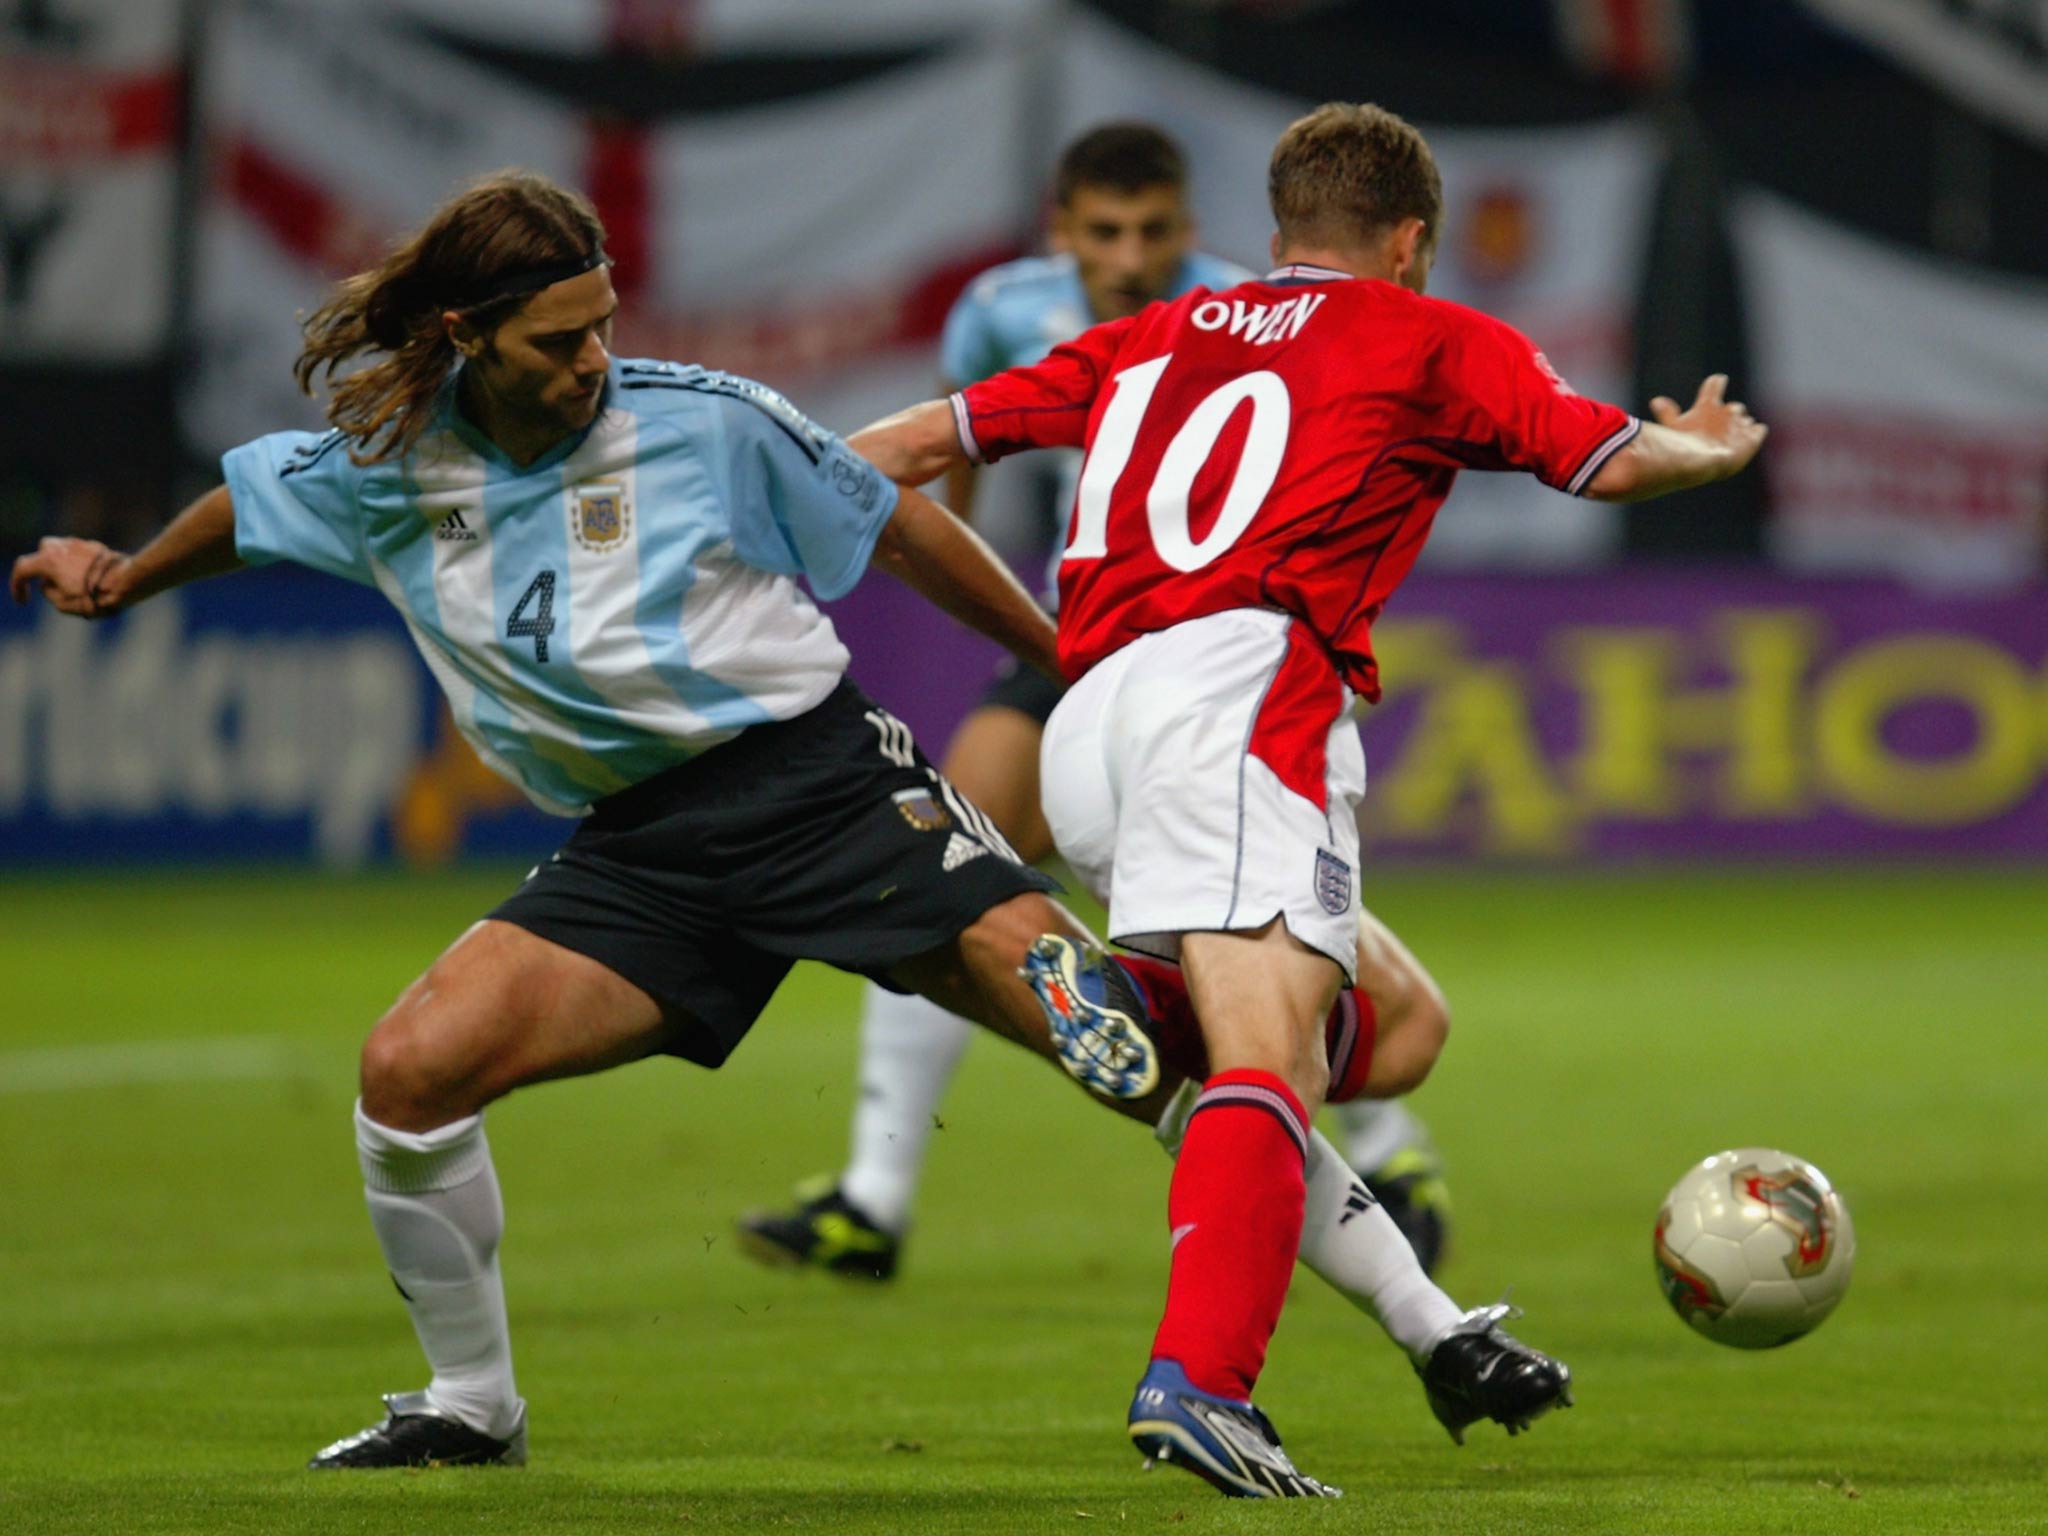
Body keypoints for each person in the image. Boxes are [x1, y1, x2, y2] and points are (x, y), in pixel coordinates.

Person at [5, 169, 1190, 1472]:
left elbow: (901, 525)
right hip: (644, 850)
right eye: (560, 339)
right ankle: (473, 1406)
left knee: (1115, 1044)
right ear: (466, 336)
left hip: (821, 788)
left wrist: (1069, 654)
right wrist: (126, 577)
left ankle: (1431, 1322)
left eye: (605, 323)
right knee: (408, 1073)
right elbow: (258, 503)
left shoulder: (703, 420)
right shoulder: (394, 461)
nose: (595, 360)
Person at [851, 102, 1769, 1498]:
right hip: (1244, 692)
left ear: (1278, 229)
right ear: (1411, 240)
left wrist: (732, 510)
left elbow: (911, 445)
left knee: (1393, 1029)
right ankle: (1203, 1383)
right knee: (1272, 1060)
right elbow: (1607, 459)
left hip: (1087, 719)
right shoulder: (1432, 335)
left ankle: (1156, 1029)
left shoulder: (1151, 334)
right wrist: (1705, 449)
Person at [739, 122, 1452, 1286]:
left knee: (1241, 924)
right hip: (1094, 628)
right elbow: (947, 486)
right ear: (1061, 230)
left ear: (1192, 228)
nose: (1129, 255)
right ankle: (872, 1196)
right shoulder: (997, 313)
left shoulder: (1241, 307)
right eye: (1104, 232)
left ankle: (1379, 1142)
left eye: (1153, 230)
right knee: (948, 857)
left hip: (1231, 641)